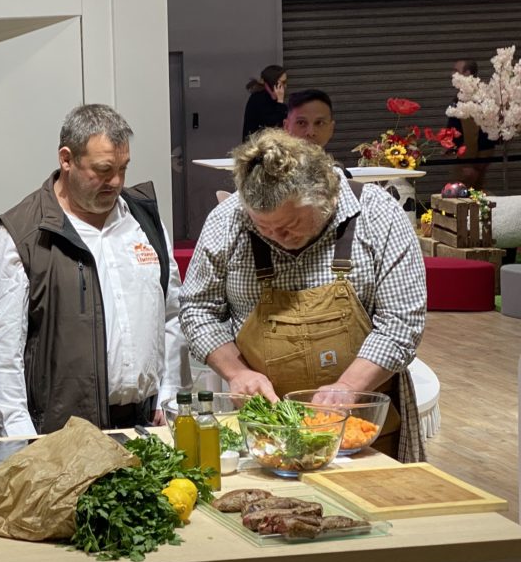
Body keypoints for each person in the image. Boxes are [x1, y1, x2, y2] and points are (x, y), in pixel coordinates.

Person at [179, 131, 426, 462]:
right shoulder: (228, 221)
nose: (276, 238)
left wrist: (348, 387)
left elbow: (401, 323)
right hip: (264, 432)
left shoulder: (378, 216)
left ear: (323, 197)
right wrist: (237, 373)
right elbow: (198, 309)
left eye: (288, 225)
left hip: (362, 433)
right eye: (262, 229)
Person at [0, 104, 191, 436]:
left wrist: (171, 397)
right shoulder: (22, 233)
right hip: (62, 433)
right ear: (66, 159)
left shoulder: (145, 221)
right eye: (104, 169)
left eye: (124, 168)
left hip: (146, 423)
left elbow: (171, 315)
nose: (117, 181)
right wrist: (20, 434)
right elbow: (2, 350)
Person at [448, 58, 493, 190]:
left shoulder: (470, 98)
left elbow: (471, 133)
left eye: (456, 71)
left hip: (468, 159)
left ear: (467, 73)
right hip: (471, 158)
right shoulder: (472, 95)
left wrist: (469, 165)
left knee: (459, 193)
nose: (452, 74)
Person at [242, 64, 288, 142]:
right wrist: (280, 101)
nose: (286, 86)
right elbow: (276, 126)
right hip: (257, 148)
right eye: (283, 82)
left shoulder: (271, 97)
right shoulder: (259, 99)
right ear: (274, 83)